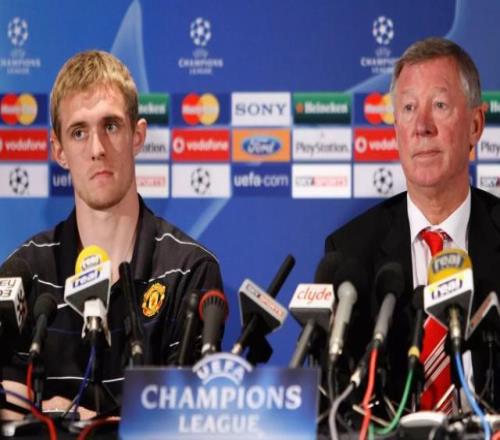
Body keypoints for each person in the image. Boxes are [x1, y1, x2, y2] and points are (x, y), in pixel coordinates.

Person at [0, 50, 223, 418]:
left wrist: (80, 424)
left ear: (138, 136)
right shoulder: (27, 272)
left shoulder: (189, 270)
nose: (97, 149)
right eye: (79, 132)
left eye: (111, 126)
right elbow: (7, 406)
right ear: (59, 150)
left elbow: (188, 419)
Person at [326, 37, 500, 412]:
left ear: (475, 125)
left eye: (439, 105)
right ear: (396, 130)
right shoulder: (351, 253)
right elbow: (337, 402)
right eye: (408, 108)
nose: (422, 126)